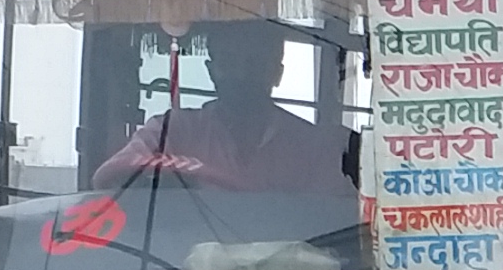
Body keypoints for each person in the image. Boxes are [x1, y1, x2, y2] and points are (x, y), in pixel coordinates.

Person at [102, 16, 347, 193]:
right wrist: (177, 189)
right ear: (210, 70)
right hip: (181, 261)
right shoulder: (172, 130)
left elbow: (328, 219)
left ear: (276, 72)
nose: (240, 75)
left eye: (253, 65)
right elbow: (116, 177)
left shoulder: (312, 146)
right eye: (229, 63)